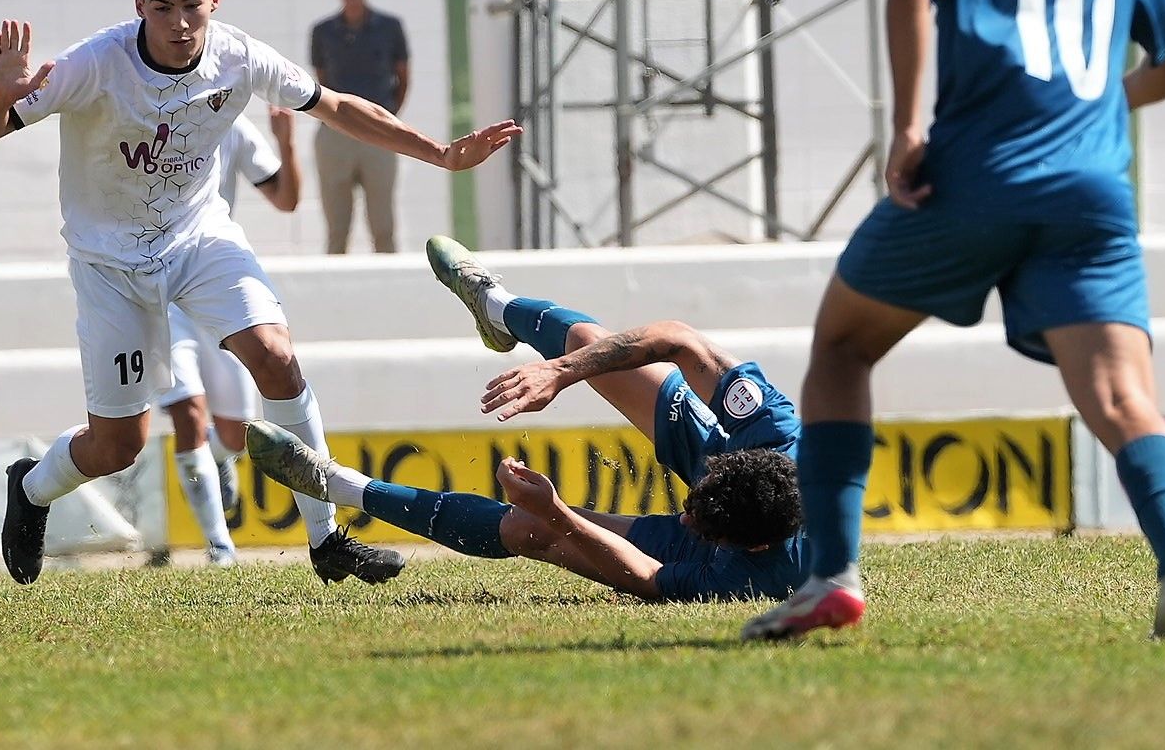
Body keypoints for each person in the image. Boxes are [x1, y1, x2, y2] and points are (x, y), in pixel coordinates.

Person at [742, 0, 1165, 642]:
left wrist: (911, 124)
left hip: (971, 177)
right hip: (1093, 197)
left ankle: (832, 577)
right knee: (1121, 399)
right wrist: (1099, 103)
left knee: (841, 346)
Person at [0, 0, 518, 587]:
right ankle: (29, 490)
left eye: (192, 5)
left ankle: (327, 540)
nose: (179, 24)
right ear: (139, 5)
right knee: (117, 447)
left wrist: (441, 154)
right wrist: (1, 96)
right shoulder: (93, 65)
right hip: (109, 264)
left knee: (277, 356)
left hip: (201, 240)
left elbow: (336, 105)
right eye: (163, 7)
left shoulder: (238, 57)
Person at [248, 236, 807, 602]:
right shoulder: (778, 433)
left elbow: (645, 578)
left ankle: (337, 484)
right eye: (696, 505)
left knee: (528, 530)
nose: (684, 517)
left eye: (700, 521)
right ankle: (496, 307)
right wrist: (562, 371)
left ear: (748, 547)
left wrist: (557, 511)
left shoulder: (749, 578)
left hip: (730, 540)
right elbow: (677, 339)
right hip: (745, 489)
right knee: (595, 346)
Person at [164, 107, 300, 568]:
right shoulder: (139, 113)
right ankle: (220, 548)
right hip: (155, 290)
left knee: (236, 434)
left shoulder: (232, 124)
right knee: (186, 412)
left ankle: (217, 455)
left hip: (212, 288)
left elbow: (286, 199)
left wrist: (287, 140)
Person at [308, 0, 410, 254]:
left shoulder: (390, 27)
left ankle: (392, 291)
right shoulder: (323, 31)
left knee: (384, 226)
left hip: (379, 133)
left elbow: (403, 78)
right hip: (335, 134)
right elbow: (323, 81)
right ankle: (334, 297)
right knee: (337, 228)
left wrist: (388, 120)